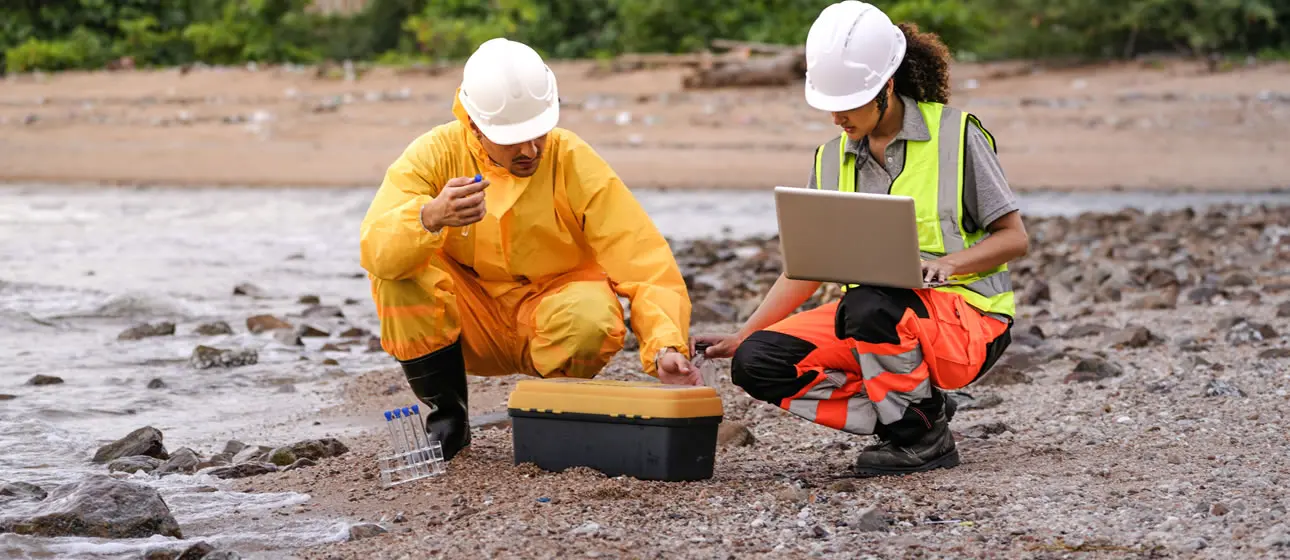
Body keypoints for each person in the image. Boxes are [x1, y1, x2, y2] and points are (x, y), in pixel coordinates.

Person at [692, 1, 1029, 477]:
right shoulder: (830, 160)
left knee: (871, 303)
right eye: (829, 103)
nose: (836, 117)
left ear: (886, 87)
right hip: (877, 322)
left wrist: (952, 264)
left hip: (969, 320)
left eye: (847, 103)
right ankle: (916, 412)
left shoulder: (956, 136)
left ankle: (922, 439)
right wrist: (744, 333)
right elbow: (806, 267)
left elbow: (1014, 239)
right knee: (757, 361)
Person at [359, 38, 697, 461]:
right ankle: (448, 420)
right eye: (512, 139)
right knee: (399, 272)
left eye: (537, 133)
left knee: (591, 317)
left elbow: (641, 257)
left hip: (551, 312)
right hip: (467, 323)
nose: (530, 150)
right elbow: (375, 250)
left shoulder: (571, 157)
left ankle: (554, 413)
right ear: (475, 127)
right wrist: (428, 217)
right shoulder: (434, 154)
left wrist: (667, 344)